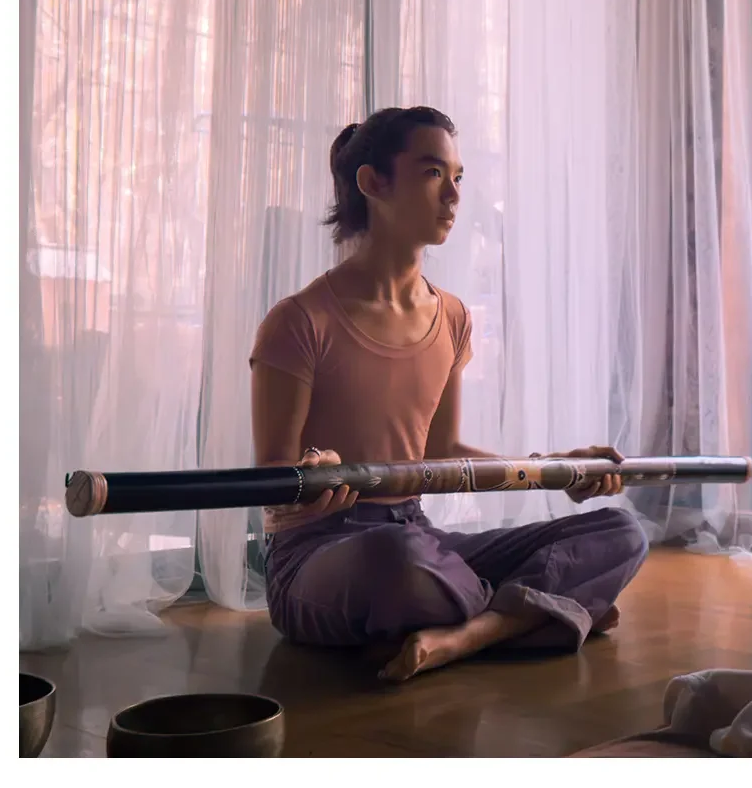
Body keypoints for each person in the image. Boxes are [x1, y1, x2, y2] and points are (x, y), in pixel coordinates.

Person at [249, 106, 649, 683]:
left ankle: (468, 635)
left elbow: (444, 453)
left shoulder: (454, 316)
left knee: (620, 533)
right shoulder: (298, 321)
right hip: (320, 556)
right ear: (373, 183)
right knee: (399, 560)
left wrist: (556, 469)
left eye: (458, 176)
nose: (455, 195)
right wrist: (310, 476)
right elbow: (271, 476)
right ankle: (546, 610)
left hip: (418, 535)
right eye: (433, 173)